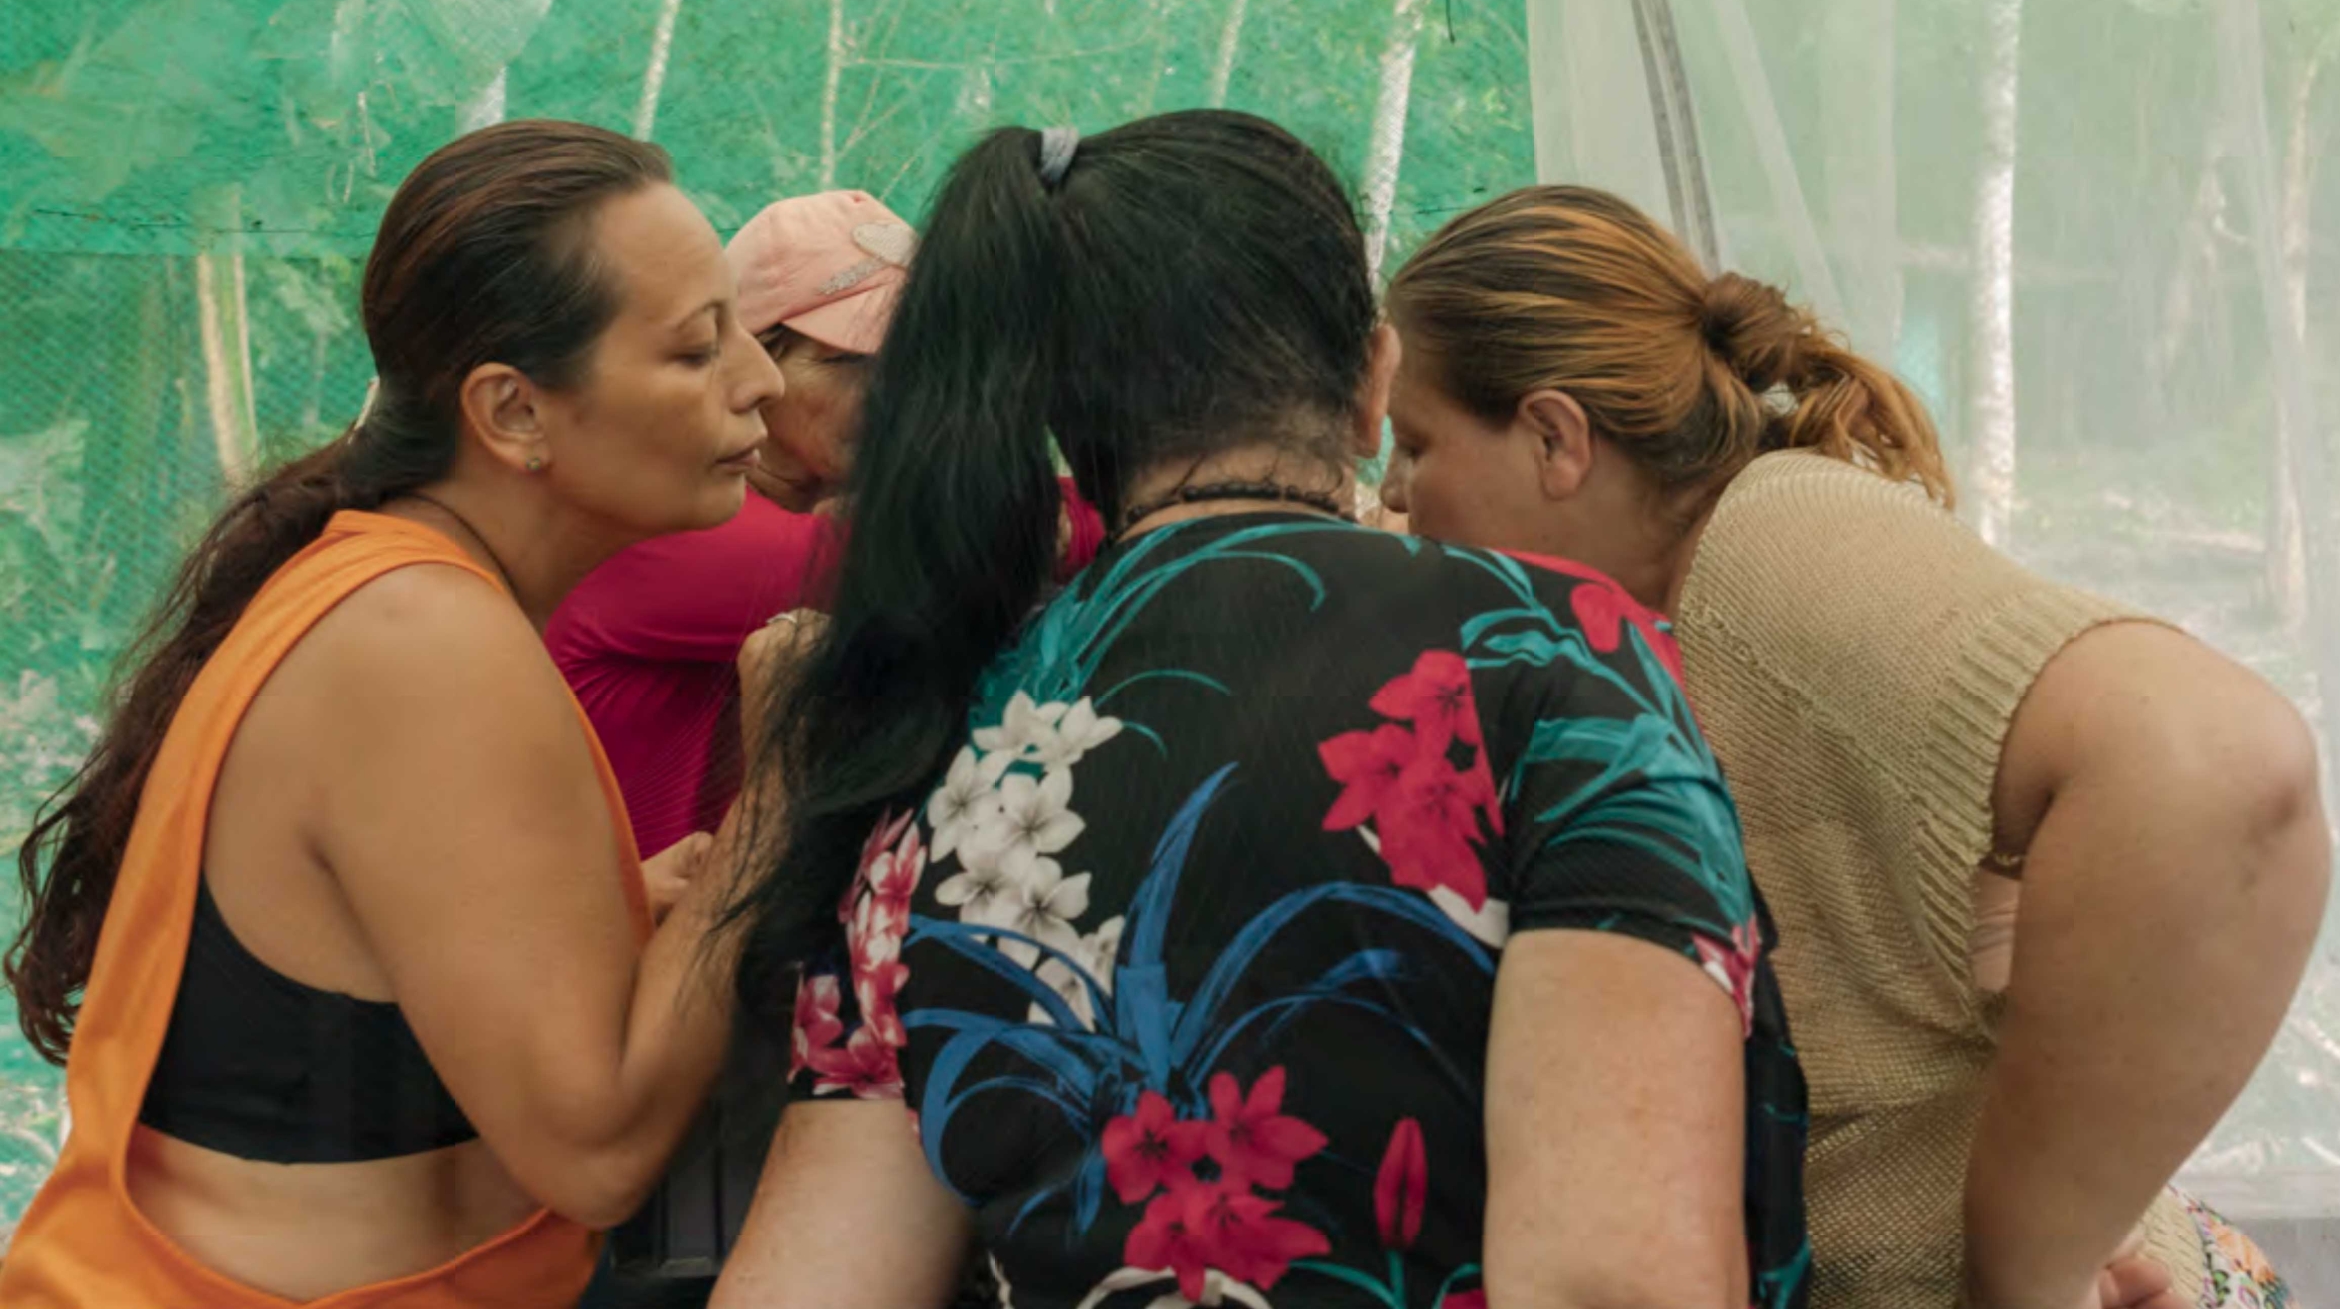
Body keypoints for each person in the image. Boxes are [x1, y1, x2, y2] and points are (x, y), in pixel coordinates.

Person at [709, 112, 1809, 1309]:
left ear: (1060, 408)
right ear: (1372, 380)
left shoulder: (933, 729)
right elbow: (1613, 1280)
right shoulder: (1554, 657)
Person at [1378, 184, 2327, 1309]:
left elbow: (2215, 769)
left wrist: (2026, 1274)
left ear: (1554, 437)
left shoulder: (1774, 540)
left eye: (1413, 443)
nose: (1391, 493)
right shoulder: (1656, 627)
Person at [0, 120, 781, 1308]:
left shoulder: (394, 592)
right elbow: (598, 1148)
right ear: (513, 412)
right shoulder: (423, 637)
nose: (761, 380)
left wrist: (634, 905)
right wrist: (782, 790)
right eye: (694, 350)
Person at [550, 191, 1105, 859]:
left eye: (914, 361)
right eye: (851, 363)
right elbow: (962, 549)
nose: (896, 394)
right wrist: (1035, 525)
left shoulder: (827, 511)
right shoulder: (661, 526)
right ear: (750, 367)